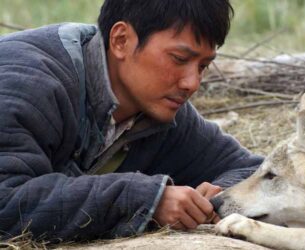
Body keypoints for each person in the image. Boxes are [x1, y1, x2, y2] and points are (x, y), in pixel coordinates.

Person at [0, 0, 263, 242]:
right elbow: (5, 202)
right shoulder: (27, 82)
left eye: (203, 66)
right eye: (179, 59)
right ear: (121, 40)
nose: (192, 83)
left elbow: (253, 171)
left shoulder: (159, 110)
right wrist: (145, 199)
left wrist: (221, 196)